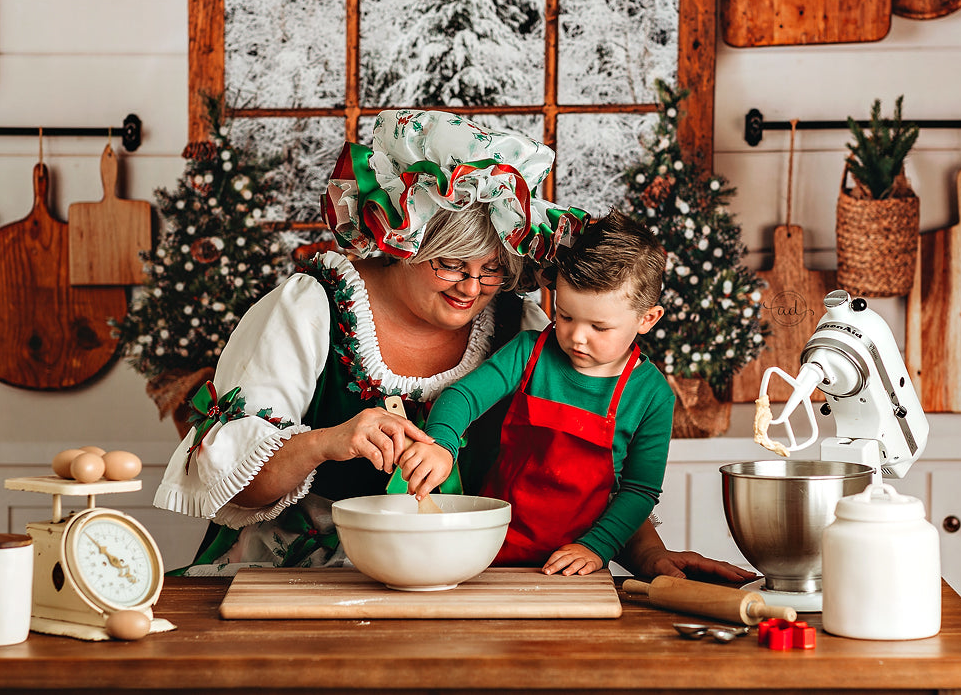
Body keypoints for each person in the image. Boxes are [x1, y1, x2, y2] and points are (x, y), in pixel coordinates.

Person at [154, 109, 754, 584]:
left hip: (456, 575)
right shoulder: (312, 308)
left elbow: (573, 471)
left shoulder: (518, 321)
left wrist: (650, 557)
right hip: (293, 577)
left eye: (491, 268)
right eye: (450, 265)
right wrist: (329, 442)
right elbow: (232, 481)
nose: (472, 287)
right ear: (402, 240)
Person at [399, 210, 672, 577]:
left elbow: (639, 490)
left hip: (574, 563)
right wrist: (441, 443)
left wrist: (597, 546)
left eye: (599, 327)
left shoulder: (652, 396)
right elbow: (462, 396)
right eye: (566, 316)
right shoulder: (530, 352)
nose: (576, 336)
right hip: (489, 549)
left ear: (647, 319)